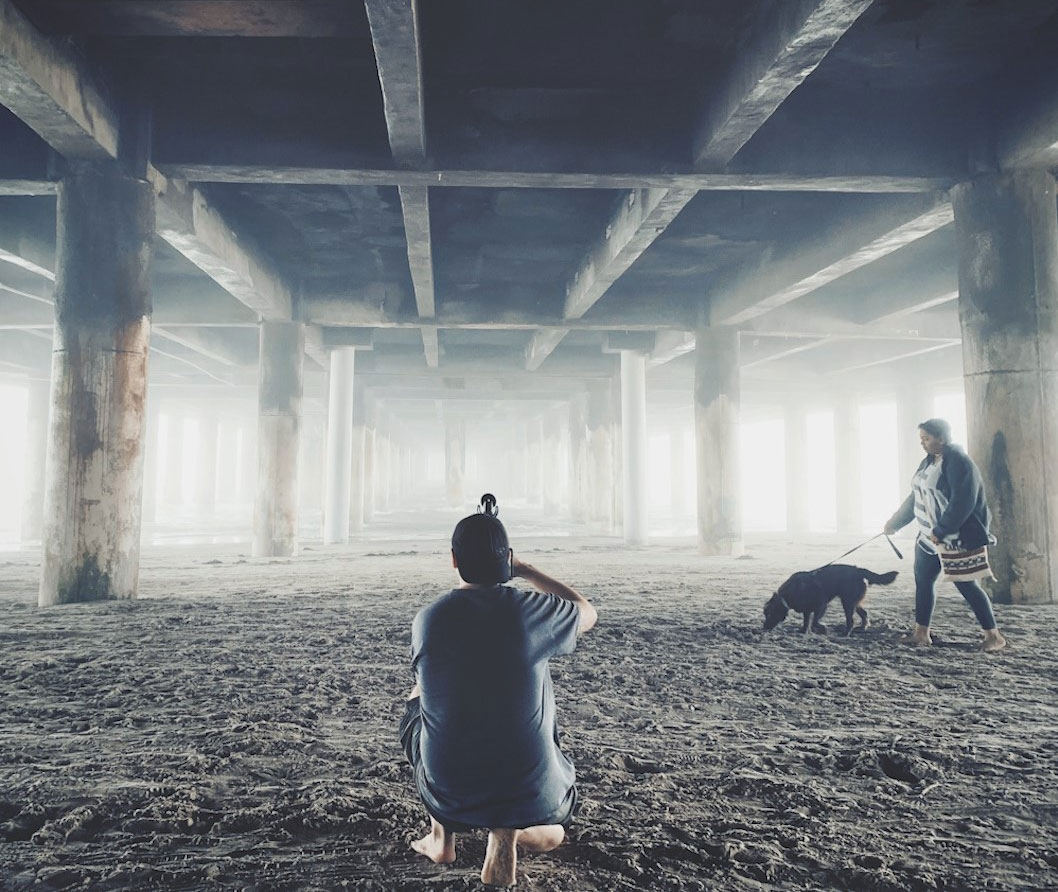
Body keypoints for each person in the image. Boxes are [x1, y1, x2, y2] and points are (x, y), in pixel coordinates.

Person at [399, 500, 598, 887]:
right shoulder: (530, 611)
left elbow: (428, 686)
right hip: (528, 786)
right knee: (553, 833)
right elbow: (587, 612)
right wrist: (524, 569)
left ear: (453, 560)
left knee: (422, 701)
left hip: (448, 787)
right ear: (505, 559)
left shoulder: (429, 619)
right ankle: (505, 832)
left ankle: (441, 839)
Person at [884, 418, 1006, 651]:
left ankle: (994, 636)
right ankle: (921, 634)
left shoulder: (959, 462)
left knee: (966, 584)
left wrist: (942, 530)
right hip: (927, 538)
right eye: (921, 439)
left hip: (953, 538)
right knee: (924, 582)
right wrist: (895, 522)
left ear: (942, 438)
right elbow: (915, 496)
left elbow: (963, 501)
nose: (922, 443)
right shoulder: (928, 462)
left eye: (926, 438)